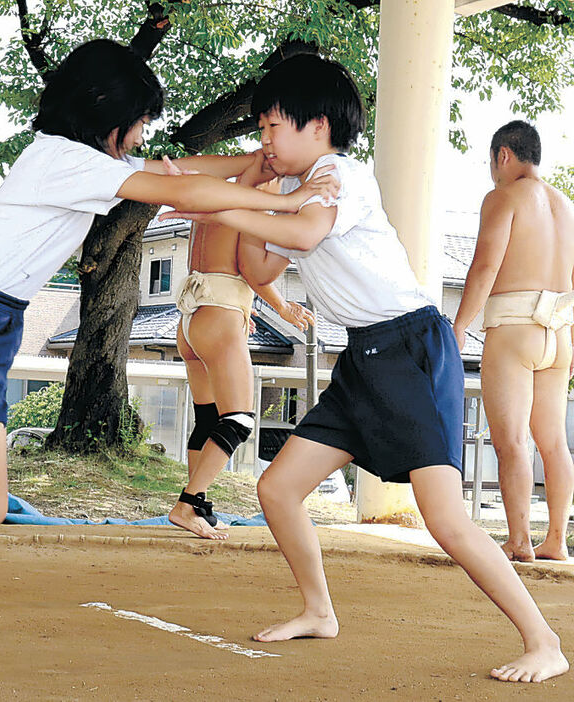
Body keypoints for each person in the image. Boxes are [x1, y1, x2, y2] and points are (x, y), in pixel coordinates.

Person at [0, 38, 327, 662]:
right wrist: (286, 201)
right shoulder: (65, 160)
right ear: (107, 112)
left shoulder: (74, 159)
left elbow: (181, 173)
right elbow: (187, 194)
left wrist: (253, 164)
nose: (139, 138)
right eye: (137, 125)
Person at [164, 54, 568, 683]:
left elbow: (305, 237)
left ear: (317, 126)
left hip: (409, 349)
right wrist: (257, 198)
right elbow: (262, 269)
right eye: (262, 129)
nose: (264, 141)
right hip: (363, 357)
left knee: (446, 521)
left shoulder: (337, 174)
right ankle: (319, 610)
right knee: (277, 489)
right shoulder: (296, 192)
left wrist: (218, 204)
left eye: (273, 127)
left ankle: (543, 639)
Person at [168, 155, 331, 539]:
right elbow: (249, 266)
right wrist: (283, 306)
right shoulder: (259, 194)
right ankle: (187, 503)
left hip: (192, 317)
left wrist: (241, 307)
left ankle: (199, 506)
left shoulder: (219, 190)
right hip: (219, 314)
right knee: (239, 420)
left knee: (209, 419)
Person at [454, 121, 574, 563]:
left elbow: (486, 265)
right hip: (560, 332)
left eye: (491, 163)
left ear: (503, 155)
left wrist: (460, 324)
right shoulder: (567, 206)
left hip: (514, 328)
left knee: (512, 442)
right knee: (554, 442)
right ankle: (556, 540)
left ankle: (520, 538)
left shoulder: (503, 197)